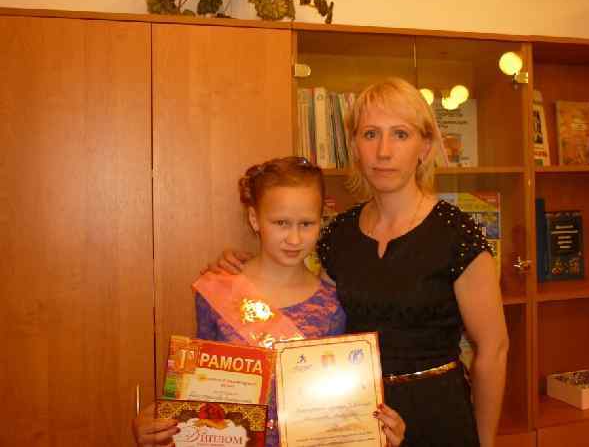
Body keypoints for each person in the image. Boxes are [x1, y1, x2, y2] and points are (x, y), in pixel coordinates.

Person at [213, 78, 509, 447]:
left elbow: (494, 349)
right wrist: (240, 271)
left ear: (424, 147)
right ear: (354, 146)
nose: (384, 151)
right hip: (355, 418)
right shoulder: (338, 234)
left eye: (400, 134)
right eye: (371, 134)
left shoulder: (457, 233)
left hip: (439, 416)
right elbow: (302, 297)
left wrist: (485, 442)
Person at [133, 156, 405, 447]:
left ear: (321, 220)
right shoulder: (218, 290)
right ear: (254, 219)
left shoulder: (334, 304)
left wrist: (376, 431)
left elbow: (343, 402)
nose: (294, 238)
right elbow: (198, 388)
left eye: (306, 224)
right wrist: (157, 426)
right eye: (281, 223)